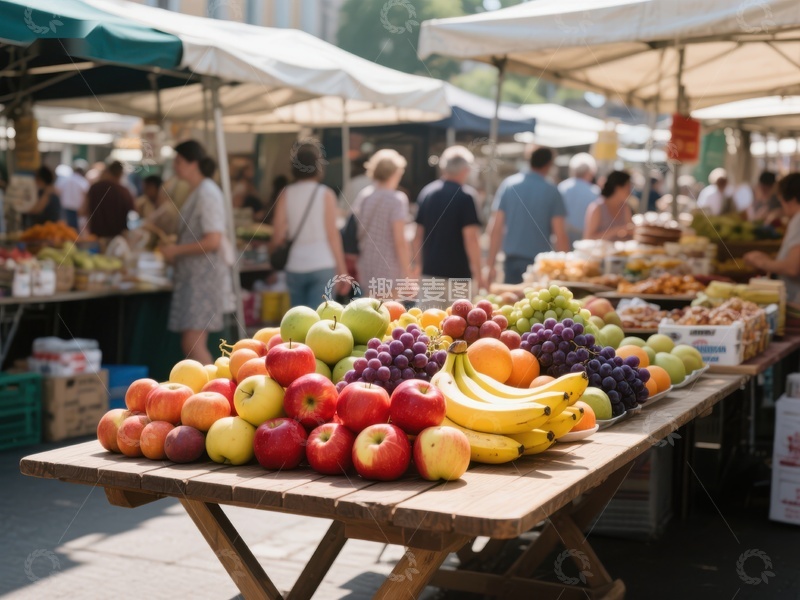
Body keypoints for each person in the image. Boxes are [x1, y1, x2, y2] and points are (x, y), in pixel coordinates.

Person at [159, 141, 234, 364]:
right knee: (192, 343)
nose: (175, 166)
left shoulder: (207, 192)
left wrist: (176, 250)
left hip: (203, 279)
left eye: (179, 161)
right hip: (195, 277)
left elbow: (213, 239)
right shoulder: (198, 191)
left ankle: (213, 394)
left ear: (194, 164)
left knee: (193, 344)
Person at [270, 143, 348, 308]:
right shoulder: (326, 194)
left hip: (294, 264)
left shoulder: (285, 193)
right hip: (322, 263)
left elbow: (277, 235)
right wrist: (342, 270)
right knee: (320, 321)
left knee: (298, 323)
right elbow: (332, 235)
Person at [487, 147, 569, 285]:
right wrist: (566, 268)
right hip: (539, 265)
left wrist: (490, 265)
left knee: (510, 303)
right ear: (549, 164)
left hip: (511, 261)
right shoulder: (552, 190)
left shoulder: (509, 185)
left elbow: (496, 227)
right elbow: (560, 234)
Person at [413, 146, 483, 299]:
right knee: (459, 321)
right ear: (465, 170)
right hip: (459, 276)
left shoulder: (427, 193)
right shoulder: (466, 196)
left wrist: (419, 266)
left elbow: (418, 236)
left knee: (427, 320)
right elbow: (471, 239)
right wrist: (479, 273)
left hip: (430, 273)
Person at [354, 150, 413, 296]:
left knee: (369, 309)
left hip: (366, 261)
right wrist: (407, 274)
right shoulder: (397, 199)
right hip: (389, 265)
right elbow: (399, 240)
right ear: (396, 173)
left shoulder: (365, 195)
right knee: (390, 313)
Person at [744, 173, 800, 303]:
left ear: (790, 200)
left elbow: (793, 268)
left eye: (781, 201)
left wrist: (762, 262)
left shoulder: (798, 221)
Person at [83, 161, 135, 239]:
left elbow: (83, 211)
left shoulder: (94, 188)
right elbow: (133, 211)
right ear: (120, 174)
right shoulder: (123, 191)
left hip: (96, 236)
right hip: (118, 237)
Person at [558, 153, 599, 246]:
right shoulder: (594, 191)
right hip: (584, 239)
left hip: (562, 236)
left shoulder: (562, 187)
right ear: (590, 172)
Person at [583, 170, 635, 241]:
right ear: (618, 188)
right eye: (628, 187)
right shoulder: (597, 208)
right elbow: (588, 238)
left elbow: (630, 230)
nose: (630, 191)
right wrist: (617, 230)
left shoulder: (625, 207)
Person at [138, 175, 179, 245]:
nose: (144, 192)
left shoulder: (167, 209)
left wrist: (158, 232)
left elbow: (145, 225)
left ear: (153, 188)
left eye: (146, 188)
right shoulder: (149, 204)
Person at [56, 159, 89, 229]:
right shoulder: (82, 181)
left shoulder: (66, 179)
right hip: (77, 209)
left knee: (66, 229)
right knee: (74, 230)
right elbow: (86, 195)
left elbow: (58, 191)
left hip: (65, 207)